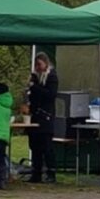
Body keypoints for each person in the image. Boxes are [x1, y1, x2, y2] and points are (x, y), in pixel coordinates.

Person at [27, 52, 58, 184]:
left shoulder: (52, 77)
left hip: (46, 115)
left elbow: (50, 95)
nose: (38, 67)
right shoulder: (34, 77)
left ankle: (51, 172)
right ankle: (36, 172)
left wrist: (35, 87)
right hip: (35, 115)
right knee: (34, 145)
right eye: (36, 65)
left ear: (45, 63)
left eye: (39, 64)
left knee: (47, 145)